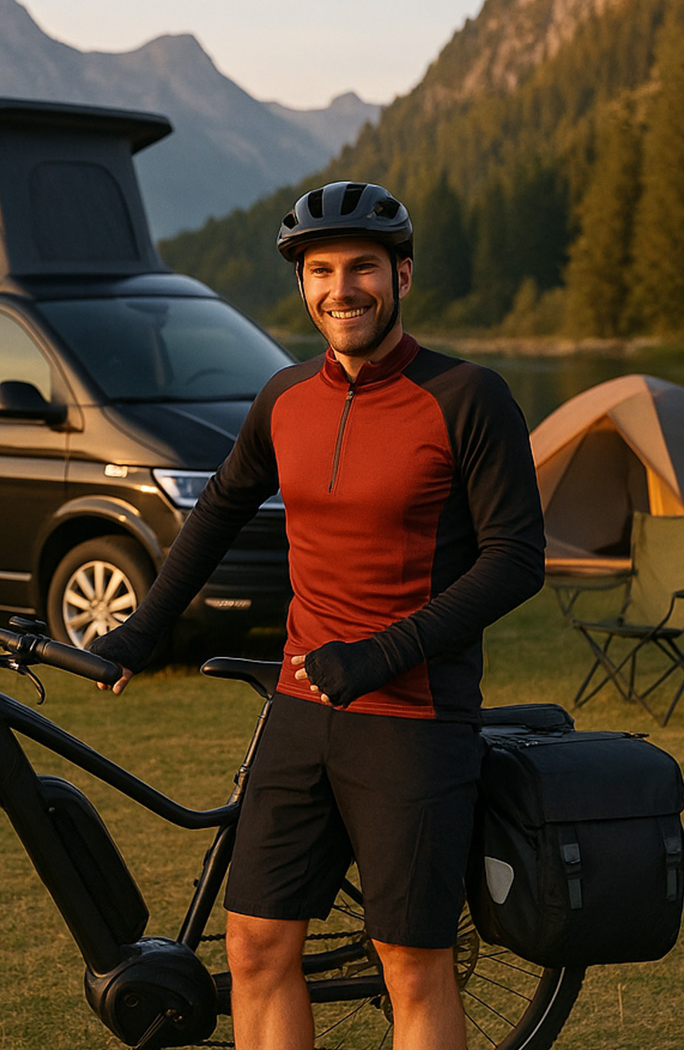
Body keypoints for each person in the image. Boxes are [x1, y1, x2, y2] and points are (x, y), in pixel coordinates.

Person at [91, 181, 545, 1050]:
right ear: (303, 285)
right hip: (299, 714)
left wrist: (381, 654)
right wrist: (146, 628)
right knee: (256, 949)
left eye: (363, 267)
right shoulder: (285, 395)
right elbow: (220, 509)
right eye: (322, 271)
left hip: (413, 719)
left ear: (401, 275)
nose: (343, 289)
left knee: (410, 963)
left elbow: (517, 560)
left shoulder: (466, 397)